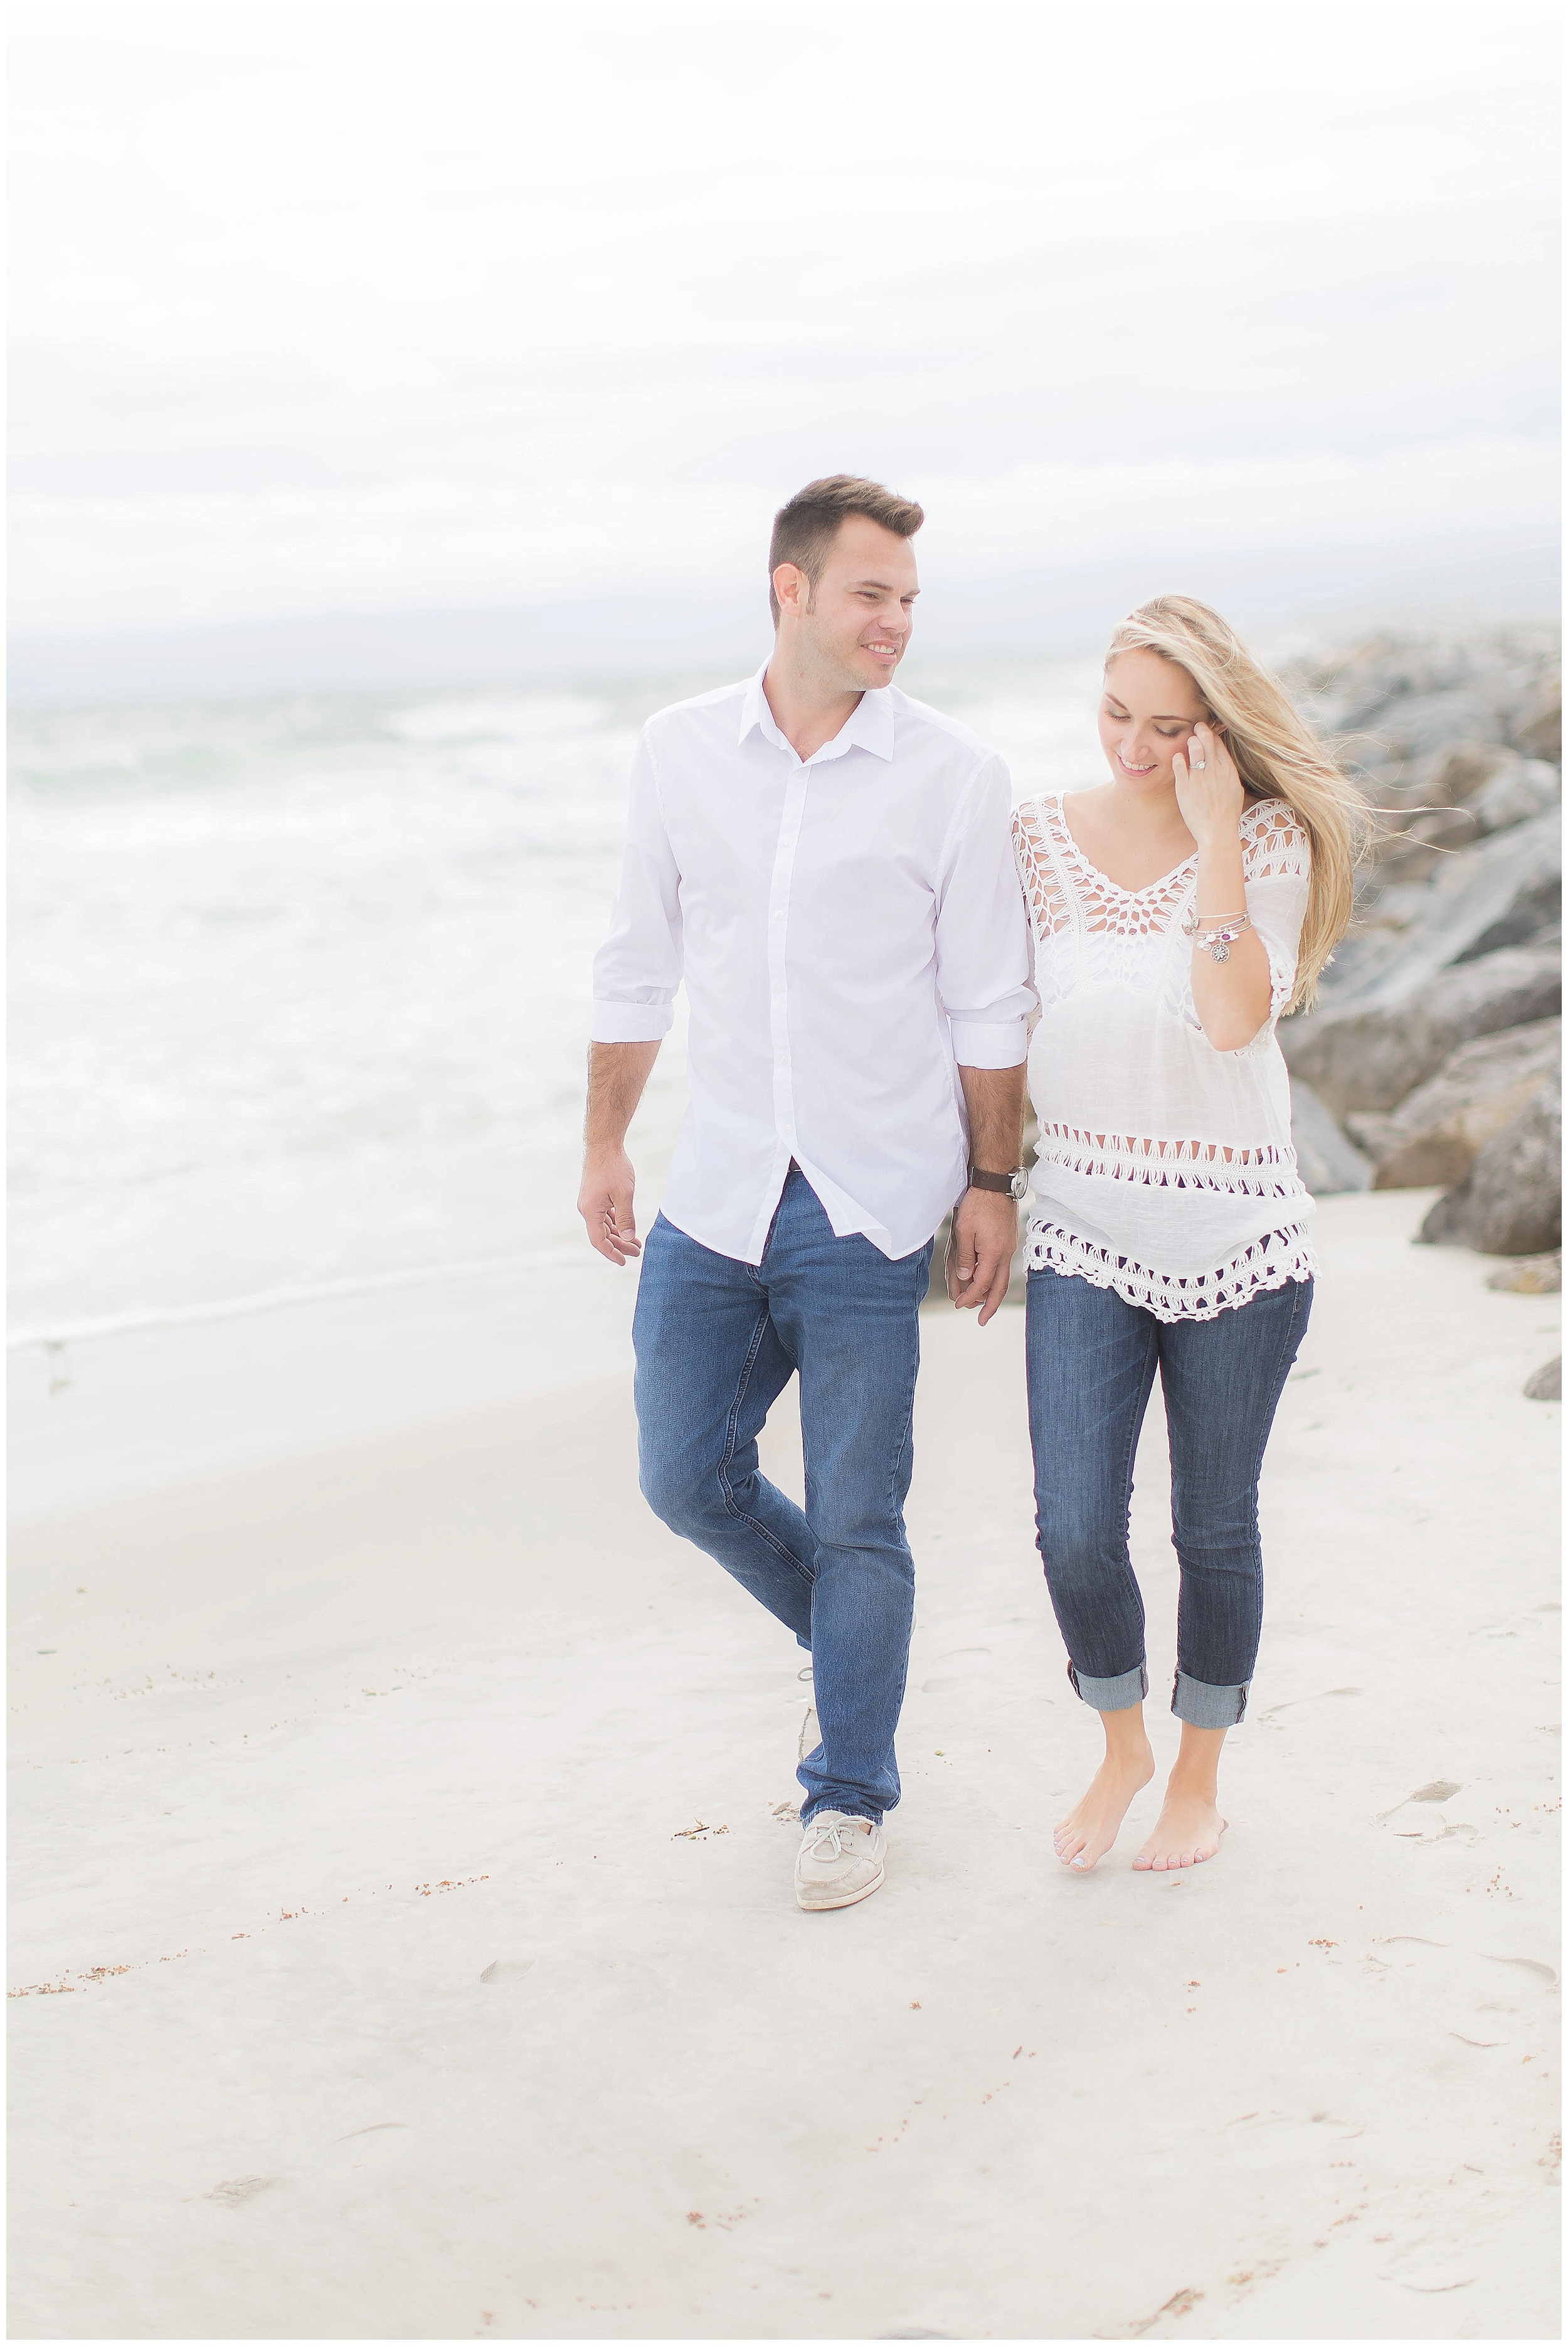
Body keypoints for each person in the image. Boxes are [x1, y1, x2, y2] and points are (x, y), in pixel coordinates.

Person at [579, 475, 1033, 1913]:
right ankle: (847, 1655)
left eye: (907, 598)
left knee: (859, 1516)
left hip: (870, 1200)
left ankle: (847, 1788)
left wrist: (988, 1182)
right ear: (790, 592)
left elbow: (989, 1001)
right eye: (869, 594)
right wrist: (603, 1144)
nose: (895, 620)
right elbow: (634, 964)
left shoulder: (951, 774)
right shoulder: (677, 752)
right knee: (681, 1477)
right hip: (717, 1188)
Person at [1013, 595, 1367, 1874]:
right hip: (1082, 1223)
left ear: (1212, 732)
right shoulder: (1038, 837)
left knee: (1210, 1526)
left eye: (1166, 727)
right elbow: (991, 1020)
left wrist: (1214, 832)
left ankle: (1197, 1774)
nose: (1131, 744)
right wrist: (982, 1181)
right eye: (1115, 712)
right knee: (1069, 1524)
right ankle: (1119, 1744)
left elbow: (1229, 1018)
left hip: (1237, 1240)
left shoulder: (1261, 840)